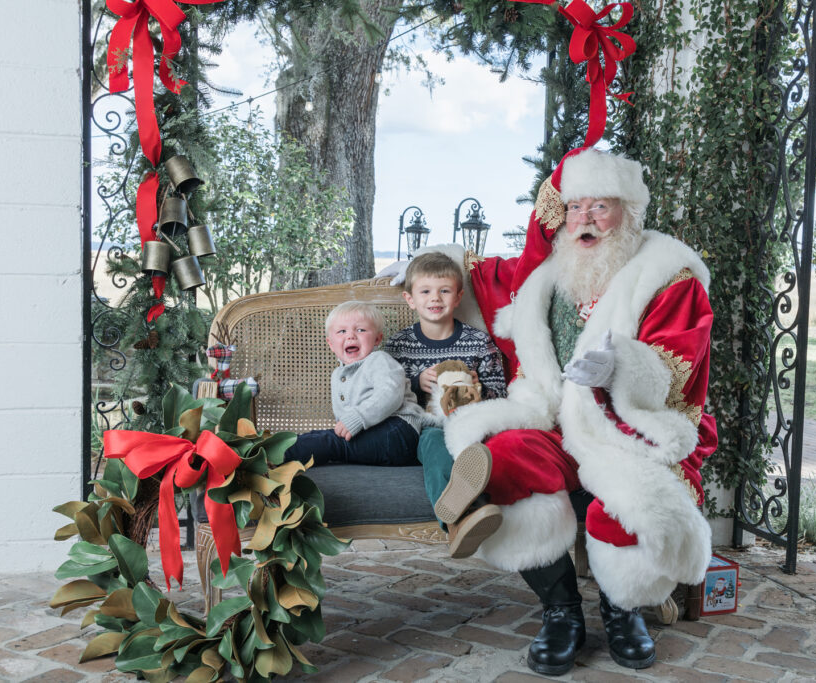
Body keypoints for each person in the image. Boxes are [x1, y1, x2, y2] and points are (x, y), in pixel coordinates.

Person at [403, 147, 717, 675]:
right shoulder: (548, 273)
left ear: (629, 213)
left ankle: (623, 611)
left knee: (628, 501)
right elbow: (481, 273)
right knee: (499, 461)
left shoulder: (668, 273)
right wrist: (424, 262)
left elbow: (679, 364)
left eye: (601, 207)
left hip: (628, 429)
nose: (586, 220)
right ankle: (561, 611)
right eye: (575, 208)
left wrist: (619, 369)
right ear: (561, 216)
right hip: (551, 420)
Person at [385, 253, 507, 557]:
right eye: (425, 291)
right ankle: (458, 523)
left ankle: (470, 508)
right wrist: (415, 382)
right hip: (425, 427)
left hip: (472, 425)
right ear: (410, 299)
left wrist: (475, 388)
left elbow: (501, 393)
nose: (434, 298)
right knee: (435, 443)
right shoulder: (398, 346)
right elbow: (381, 394)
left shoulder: (479, 342)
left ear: (458, 297)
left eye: (444, 290)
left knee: (484, 448)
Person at [283, 301, 435, 466]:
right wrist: (346, 425)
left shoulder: (379, 360)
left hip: (399, 431)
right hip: (374, 435)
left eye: (360, 330)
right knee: (320, 438)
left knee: (330, 443)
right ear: (330, 344)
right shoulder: (337, 375)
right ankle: (275, 448)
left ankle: (274, 455)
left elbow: (390, 393)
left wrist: (357, 418)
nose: (350, 336)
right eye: (342, 331)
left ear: (377, 338)